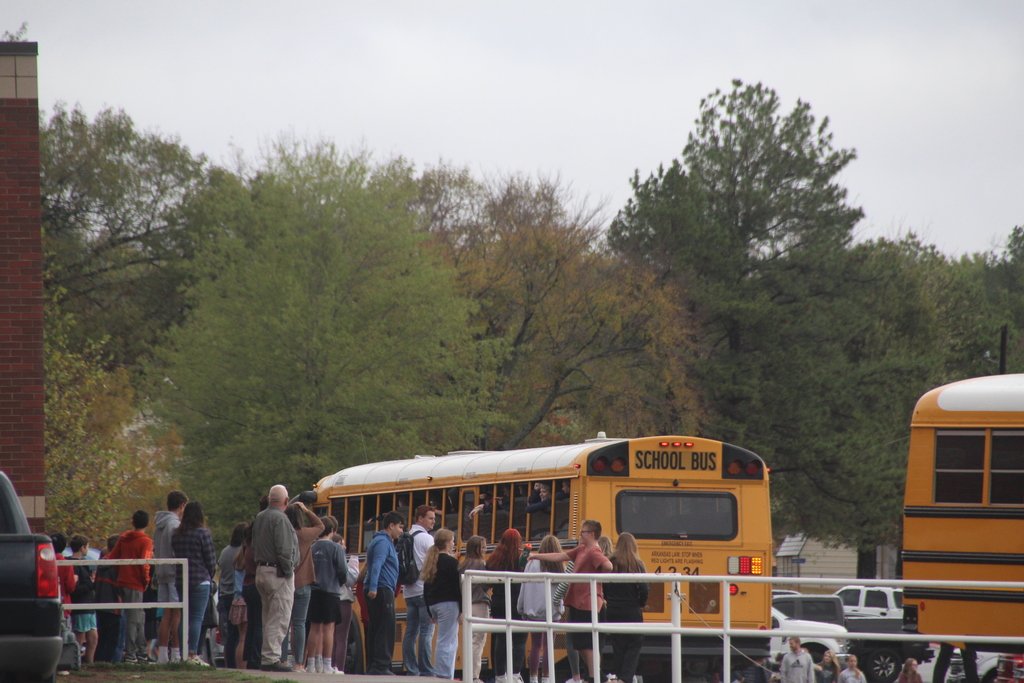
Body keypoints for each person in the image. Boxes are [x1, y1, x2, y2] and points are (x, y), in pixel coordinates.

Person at [530, 519, 611, 682]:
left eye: (583, 532)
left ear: (592, 534)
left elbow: (608, 565)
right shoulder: (582, 549)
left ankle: (596, 676)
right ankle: (595, 675)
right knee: (580, 643)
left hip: (587, 604)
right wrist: (536, 555)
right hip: (577, 602)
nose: (580, 534)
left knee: (585, 643)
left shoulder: (594, 551)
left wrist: (599, 574)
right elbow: (561, 556)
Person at [251, 484, 298, 672]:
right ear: (286, 501)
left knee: (268, 616)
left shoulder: (260, 517)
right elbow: (284, 550)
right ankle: (271, 658)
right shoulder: (281, 519)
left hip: (261, 570)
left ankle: (267, 655)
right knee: (279, 617)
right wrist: (288, 571)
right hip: (278, 573)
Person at [170, 501, 216, 665]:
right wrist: (210, 576)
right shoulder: (203, 533)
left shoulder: (176, 534)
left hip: (181, 580)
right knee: (197, 618)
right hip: (200, 580)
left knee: (184, 618)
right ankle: (192, 654)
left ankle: (183, 653)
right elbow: (210, 560)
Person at [282, 501, 324, 671]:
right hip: (303, 584)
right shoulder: (305, 534)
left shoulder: (283, 534)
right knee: (299, 624)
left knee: (284, 624)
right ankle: (299, 662)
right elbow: (320, 525)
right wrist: (307, 510)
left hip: (285, 582)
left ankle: (282, 659)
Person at [108, 510, 153, 664]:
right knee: (135, 620)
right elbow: (145, 564)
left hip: (122, 581)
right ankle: (131, 654)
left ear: (133, 522)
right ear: (147, 523)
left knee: (138, 617)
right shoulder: (145, 541)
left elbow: (112, 557)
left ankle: (140, 652)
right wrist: (146, 581)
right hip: (135, 584)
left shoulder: (123, 538)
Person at [518, 535, 564, 683]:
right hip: (553, 611)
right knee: (549, 645)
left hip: (533, 611)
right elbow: (561, 590)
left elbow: (524, 585)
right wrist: (561, 608)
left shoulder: (532, 563)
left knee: (536, 645)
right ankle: (546, 678)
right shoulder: (558, 566)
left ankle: (532, 678)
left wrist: (521, 607)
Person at [604, 533, 648, 683]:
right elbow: (644, 589)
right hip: (632, 610)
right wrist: (641, 603)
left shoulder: (610, 562)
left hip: (613, 609)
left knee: (618, 644)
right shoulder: (638, 564)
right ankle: (626, 678)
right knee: (635, 643)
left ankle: (619, 676)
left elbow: (603, 585)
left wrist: (609, 599)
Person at [364, 510, 404, 675]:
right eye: (400, 527)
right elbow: (377, 565)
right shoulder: (382, 542)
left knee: (377, 626)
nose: (402, 531)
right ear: (391, 526)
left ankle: (375, 666)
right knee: (385, 628)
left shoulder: (384, 541)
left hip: (381, 588)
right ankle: (381, 666)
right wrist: (373, 587)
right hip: (381, 589)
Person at [307, 516, 348, 674]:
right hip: (331, 590)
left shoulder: (312, 547)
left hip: (314, 591)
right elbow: (342, 570)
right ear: (332, 531)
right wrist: (341, 581)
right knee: (329, 629)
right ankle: (326, 664)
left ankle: (311, 664)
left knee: (314, 627)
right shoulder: (335, 548)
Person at [487, 528, 528, 683]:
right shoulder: (521, 559)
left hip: (498, 602)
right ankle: (516, 674)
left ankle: (500, 676)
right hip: (518, 602)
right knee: (519, 640)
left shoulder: (495, 558)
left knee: (500, 638)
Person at [402, 505, 438, 676]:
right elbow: (433, 564)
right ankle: (426, 669)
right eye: (430, 518)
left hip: (409, 591)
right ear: (420, 518)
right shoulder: (427, 539)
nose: (433, 521)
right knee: (426, 631)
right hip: (424, 590)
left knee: (410, 632)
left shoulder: (407, 536)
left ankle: (411, 668)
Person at [421, 529, 461, 679]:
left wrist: (430, 610)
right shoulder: (452, 562)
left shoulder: (432, 560)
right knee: (447, 640)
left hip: (434, 604)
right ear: (446, 543)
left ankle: (447, 674)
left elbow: (426, 586)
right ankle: (443, 674)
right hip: (448, 604)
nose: (453, 543)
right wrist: (462, 609)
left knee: (448, 639)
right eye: (452, 541)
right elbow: (458, 588)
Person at [154, 490, 187, 663]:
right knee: (176, 613)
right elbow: (176, 548)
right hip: (174, 572)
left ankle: (162, 654)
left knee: (166, 614)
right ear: (181, 505)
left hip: (161, 571)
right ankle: (175, 652)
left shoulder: (159, 524)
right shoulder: (174, 524)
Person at [459, 535, 489, 683]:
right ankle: (474, 676)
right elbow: (485, 585)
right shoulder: (481, 564)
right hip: (480, 603)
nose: (485, 549)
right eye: (483, 547)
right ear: (477, 549)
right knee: (479, 640)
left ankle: (468, 672)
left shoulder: (462, 564)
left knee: (469, 640)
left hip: (466, 604)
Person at [217, 522, 245, 669]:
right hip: (236, 596)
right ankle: (239, 664)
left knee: (228, 636)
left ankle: (229, 664)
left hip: (224, 594)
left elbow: (220, 569)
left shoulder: (225, 551)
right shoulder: (242, 552)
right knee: (239, 634)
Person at [332, 532, 360, 674]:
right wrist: (354, 567)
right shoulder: (339, 556)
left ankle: (327, 665)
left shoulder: (321, 555)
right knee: (342, 638)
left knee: (327, 635)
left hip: (328, 598)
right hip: (343, 599)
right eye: (342, 543)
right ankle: (339, 668)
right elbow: (349, 580)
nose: (345, 546)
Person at [69, 535, 98, 664]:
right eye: (87, 546)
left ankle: (90, 662)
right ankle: (75, 662)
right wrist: (91, 583)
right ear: (82, 547)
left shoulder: (84, 564)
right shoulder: (74, 565)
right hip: (81, 605)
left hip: (89, 605)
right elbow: (74, 588)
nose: (88, 549)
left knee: (93, 636)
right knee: (80, 636)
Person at [94, 534, 123, 663]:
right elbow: (118, 587)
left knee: (102, 636)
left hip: (100, 604)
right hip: (113, 607)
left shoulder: (101, 564)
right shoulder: (115, 565)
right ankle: (110, 662)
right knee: (113, 638)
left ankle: (99, 660)